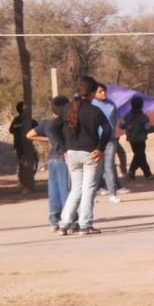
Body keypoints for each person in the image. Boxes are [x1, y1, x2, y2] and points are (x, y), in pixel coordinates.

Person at [56, 76, 112, 236]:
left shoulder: (66, 109)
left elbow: (54, 128)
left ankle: (64, 224)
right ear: (92, 93)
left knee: (75, 189)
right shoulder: (95, 110)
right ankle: (85, 225)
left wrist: (63, 148)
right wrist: (101, 148)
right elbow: (107, 130)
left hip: (71, 154)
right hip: (90, 154)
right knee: (88, 189)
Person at [26, 96, 71, 232]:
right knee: (65, 190)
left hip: (52, 158)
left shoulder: (47, 123)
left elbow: (29, 135)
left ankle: (54, 220)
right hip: (64, 157)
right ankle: (67, 218)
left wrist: (48, 139)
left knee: (54, 190)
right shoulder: (67, 122)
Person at [92, 83, 127, 203]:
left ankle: (112, 194)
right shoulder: (92, 104)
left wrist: (115, 133)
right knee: (96, 167)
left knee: (110, 166)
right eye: (100, 91)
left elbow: (115, 120)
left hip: (110, 139)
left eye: (104, 91)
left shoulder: (111, 104)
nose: (103, 93)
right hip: (96, 140)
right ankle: (92, 193)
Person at [120, 97, 154, 180]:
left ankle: (148, 174)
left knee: (141, 155)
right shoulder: (143, 117)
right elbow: (148, 128)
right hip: (140, 139)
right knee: (139, 155)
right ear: (141, 105)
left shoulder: (127, 115)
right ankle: (132, 171)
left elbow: (122, 126)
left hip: (131, 139)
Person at [9, 101, 39, 175]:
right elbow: (38, 128)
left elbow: (11, 130)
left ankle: (20, 172)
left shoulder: (15, 120)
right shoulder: (30, 120)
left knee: (21, 159)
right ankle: (30, 173)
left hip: (17, 144)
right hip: (27, 144)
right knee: (33, 158)